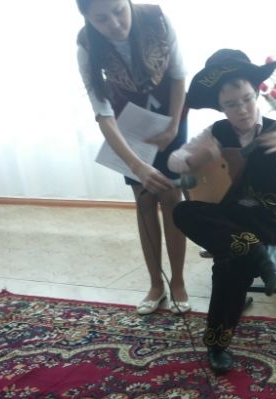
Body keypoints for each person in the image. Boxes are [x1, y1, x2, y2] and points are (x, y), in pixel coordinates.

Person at [167, 49, 276, 373]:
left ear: (256, 93)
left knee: (230, 261)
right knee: (183, 212)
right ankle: (259, 253)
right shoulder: (215, 132)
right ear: (220, 106)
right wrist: (196, 158)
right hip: (233, 215)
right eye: (231, 104)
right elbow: (174, 161)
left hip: (272, 215)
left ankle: (217, 344)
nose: (242, 110)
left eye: (246, 99)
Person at [76, 0, 190, 315]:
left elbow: (179, 76)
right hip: (130, 126)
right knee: (144, 200)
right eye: (101, 19)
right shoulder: (86, 45)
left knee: (171, 197)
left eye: (118, 11)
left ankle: (178, 282)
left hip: (170, 116)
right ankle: (156, 284)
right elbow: (103, 113)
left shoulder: (157, 17)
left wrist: (172, 127)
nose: (114, 23)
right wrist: (136, 165)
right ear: (87, 17)